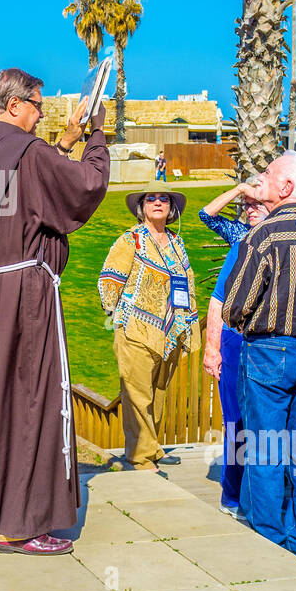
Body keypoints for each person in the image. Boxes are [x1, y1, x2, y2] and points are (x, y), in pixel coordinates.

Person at [0, 68, 109, 555]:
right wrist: (97, 133)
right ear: (15, 105)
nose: (42, 114)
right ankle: (19, 525)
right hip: (27, 298)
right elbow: (83, 188)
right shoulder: (29, 152)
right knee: (30, 403)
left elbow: (25, 196)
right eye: (38, 105)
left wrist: (61, 143)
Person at [221, 150, 296, 562]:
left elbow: (235, 306)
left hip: (270, 351)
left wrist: (246, 319)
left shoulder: (263, 235)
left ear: (287, 187)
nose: (262, 179)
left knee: (267, 448)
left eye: (269, 174)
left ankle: (269, 540)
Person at [99, 186, 200, 470]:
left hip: (169, 332)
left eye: (164, 199)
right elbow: (109, 278)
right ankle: (139, 456)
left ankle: (152, 447)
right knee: (138, 394)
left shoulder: (177, 243)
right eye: (151, 199)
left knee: (157, 393)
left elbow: (187, 282)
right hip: (137, 330)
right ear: (142, 207)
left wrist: (189, 321)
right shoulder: (131, 240)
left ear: (171, 208)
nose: (157, 203)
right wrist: (119, 315)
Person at [200, 178, 266, 516]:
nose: (252, 210)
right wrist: (242, 190)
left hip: (269, 341)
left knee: (267, 420)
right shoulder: (240, 238)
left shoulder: (280, 239)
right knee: (236, 419)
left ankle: (262, 494)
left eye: (259, 204)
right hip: (236, 338)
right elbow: (206, 214)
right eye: (248, 207)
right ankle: (234, 492)